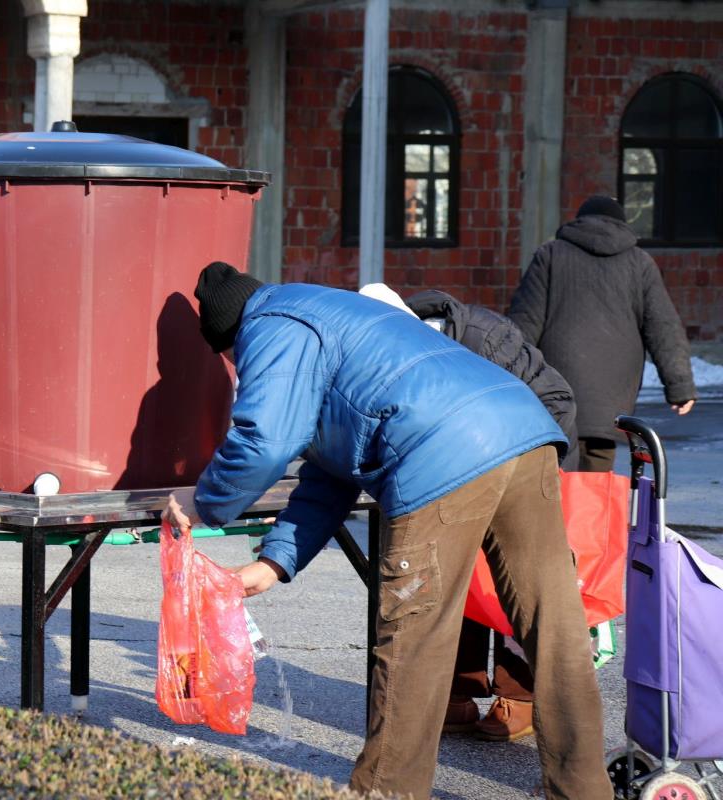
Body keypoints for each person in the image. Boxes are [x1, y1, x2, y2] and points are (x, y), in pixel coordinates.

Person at [163, 262, 612, 800]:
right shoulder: (328, 313)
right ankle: (583, 789)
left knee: (413, 639)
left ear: (228, 343)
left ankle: (386, 792)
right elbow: (329, 470)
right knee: (554, 629)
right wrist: (275, 560)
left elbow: (265, 441)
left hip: (442, 452)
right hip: (522, 429)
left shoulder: (270, 327)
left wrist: (204, 499)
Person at [405, 288, 577, 743]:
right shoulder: (403, 348)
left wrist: (535, 479)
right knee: (452, 580)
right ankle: (458, 690)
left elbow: (557, 399)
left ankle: (518, 695)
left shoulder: (486, 338)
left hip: (522, 465)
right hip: (454, 472)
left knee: (519, 592)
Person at [509, 195, 697, 472]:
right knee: (597, 470)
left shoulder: (549, 255)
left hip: (557, 385)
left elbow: (525, 323)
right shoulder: (640, 263)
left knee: (556, 467)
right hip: (613, 390)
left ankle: (562, 514)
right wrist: (680, 387)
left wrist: (508, 378)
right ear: (621, 224)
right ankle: (595, 515)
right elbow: (663, 328)